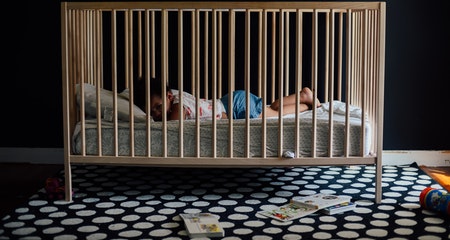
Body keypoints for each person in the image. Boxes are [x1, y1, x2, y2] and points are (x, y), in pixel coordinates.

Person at [134, 78, 321, 122]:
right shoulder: (174, 94)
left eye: (158, 108)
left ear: (168, 97)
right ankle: (303, 96)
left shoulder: (177, 106)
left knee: (276, 113)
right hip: (231, 101)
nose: (156, 114)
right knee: (273, 107)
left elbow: (173, 127)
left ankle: (305, 104)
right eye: (151, 112)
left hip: (235, 107)